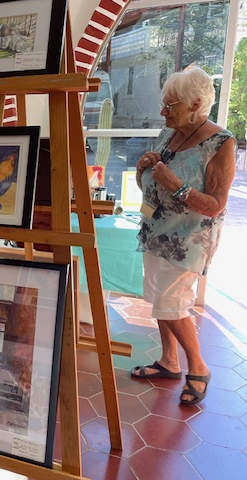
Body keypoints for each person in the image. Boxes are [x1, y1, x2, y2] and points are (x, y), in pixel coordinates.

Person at [130, 66, 236, 405]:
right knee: (159, 300)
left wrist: (178, 185)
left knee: (172, 304)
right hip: (155, 231)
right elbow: (150, 188)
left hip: (187, 241)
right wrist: (142, 169)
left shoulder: (221, 143)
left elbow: (215, 206)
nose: (163, 112)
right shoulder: (170, 133)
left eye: (170, 105)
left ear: (196, 104)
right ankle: (169, 361)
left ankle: (199, 368)